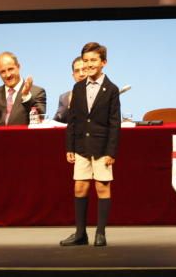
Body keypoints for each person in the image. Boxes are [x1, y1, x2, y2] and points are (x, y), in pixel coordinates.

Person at [60, 42, 121, 247]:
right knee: (80, 187)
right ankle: (80, 233)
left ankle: (100, 233)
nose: (89, 64)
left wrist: (111, 151)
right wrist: (70, 147)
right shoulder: (77, 88)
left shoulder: (111, 89)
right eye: (85, 60)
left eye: (93, 60)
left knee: (102, 187)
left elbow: (114, 123)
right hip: (82, 146)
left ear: (103, 62)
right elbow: (73, 120)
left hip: (102, 147)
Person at [0, 52, 46, 126]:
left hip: (24, 137)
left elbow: (40, 120)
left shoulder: (37, 92)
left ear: (18, 67)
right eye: (3, 71)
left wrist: (26, 96)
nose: (8, 75)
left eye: (10, 69)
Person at [53, 56, 87, 123]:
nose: (81, 74)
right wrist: (69, 106)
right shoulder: (65, 97)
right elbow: (57, 122)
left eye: (84, 69)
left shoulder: (103, 93)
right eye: (77, 71)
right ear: (73, 76)